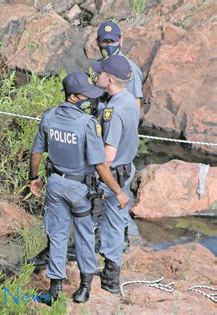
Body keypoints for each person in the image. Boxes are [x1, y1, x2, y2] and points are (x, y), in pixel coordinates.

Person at [29, 72, 130, 303]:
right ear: (74, 97)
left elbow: (36, 152)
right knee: (84, 236)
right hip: (80, 189)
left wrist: (33, 178)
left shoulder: (49, 117)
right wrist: (117, 191)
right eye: (87, 96)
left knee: (57, 234)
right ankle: (84, 289)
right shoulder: (88, 124)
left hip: (55, 184)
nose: (90, 100)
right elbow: (99, 165)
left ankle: (54, 290)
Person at [91, 55, 139, 294]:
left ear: (109, 79)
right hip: (126, 168)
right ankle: (111, 275)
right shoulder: (128, 100)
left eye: (99, 73)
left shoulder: (114, 111)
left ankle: (99, 276)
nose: (96, 75)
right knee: (116, 223)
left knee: (91, 219)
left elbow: (107, 157)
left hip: (112, 175)